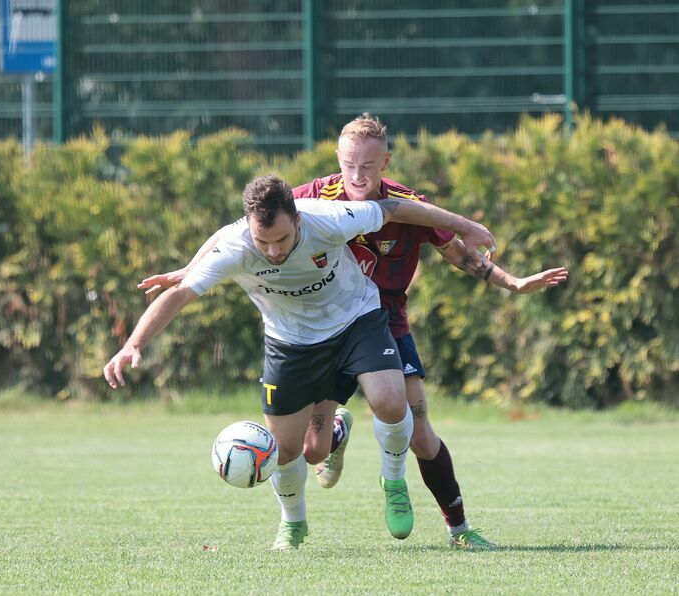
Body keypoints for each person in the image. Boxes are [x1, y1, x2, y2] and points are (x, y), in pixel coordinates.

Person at [138, 115, 569, 550]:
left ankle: (453, 524)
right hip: (315, 331)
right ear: (338, 159)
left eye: (368, 166)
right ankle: (336, 436)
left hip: (381, 320)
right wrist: (189, 272)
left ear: (385, 161)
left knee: (415, 429)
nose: (357, 175)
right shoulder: (311, 200)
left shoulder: (407, 204)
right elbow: (237, 231)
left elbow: (460, 253)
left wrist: (510, 282)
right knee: (311, 451)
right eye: (349, 165)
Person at [106, 174, 498, 550]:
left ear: (297, 218)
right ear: (250, 229)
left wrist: (465, 227)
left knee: (391, 400)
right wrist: (133, 344)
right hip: (291, 344)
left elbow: (395, 208)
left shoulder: (327, 218)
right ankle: (293, 523)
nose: (274, 251)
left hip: (355, 320)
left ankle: (393, 484)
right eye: (265, 241)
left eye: (282, 238)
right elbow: (178, 296)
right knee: (292, 450)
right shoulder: (236, 248)